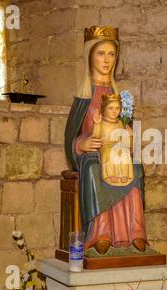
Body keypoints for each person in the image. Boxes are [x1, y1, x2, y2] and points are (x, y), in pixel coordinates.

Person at [64, 25, 147, 255]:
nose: (106, 60)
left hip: (116, 151)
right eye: (101, 53)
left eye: (111, 54)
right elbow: (72, 135)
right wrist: (82, 144)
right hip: (93, 153)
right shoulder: (83, 95)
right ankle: (101, 233)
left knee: (137, 167)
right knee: (93, 168)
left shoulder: (119, 96)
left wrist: (129, 137)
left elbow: (126, 127)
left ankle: (135, 232)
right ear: (90, 56)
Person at [92, 93, 134, 186]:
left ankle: (123, 174)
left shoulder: (120, 122)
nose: (114, 111)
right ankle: (110, 175)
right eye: (110, 108)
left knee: (124, 152)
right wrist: (97, 124)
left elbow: (127, 142)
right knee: (110, 152)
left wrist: (130, 135)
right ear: (104, 109)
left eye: (117, 108)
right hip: (105, 146)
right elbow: (95, 136)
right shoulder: (101, 121)